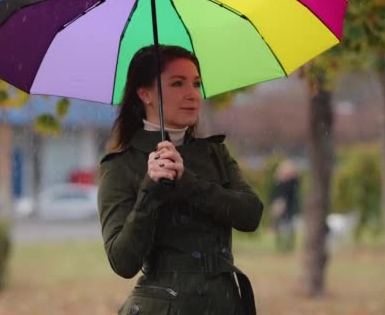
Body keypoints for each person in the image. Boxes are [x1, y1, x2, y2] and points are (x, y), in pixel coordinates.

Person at [97, 45, 264, 315]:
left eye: (196, 84)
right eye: (177, 83)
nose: (192, 95)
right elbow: (123, 261)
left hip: (225, 305)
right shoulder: (120, 166)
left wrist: (187, 182)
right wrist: (150, 188)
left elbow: (251, 215)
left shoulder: (214, 153)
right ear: (145, 94)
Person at [270, 160, 300, 252]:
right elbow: (275, 194)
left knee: (290, 227)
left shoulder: (292, 182)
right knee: (278, 226)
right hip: (280, 205)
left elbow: (292, 192)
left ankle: (289, 245)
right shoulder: (279, 182)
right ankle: (280, 245)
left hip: (289, 207)